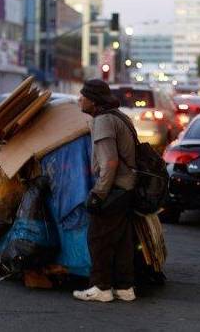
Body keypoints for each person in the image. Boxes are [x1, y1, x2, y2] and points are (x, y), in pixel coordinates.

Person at [73, 79, 137, 303]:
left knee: (98, 239)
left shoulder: (103, 121)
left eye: (83, 95)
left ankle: (101, 287)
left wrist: (98, 194)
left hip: (114, 189)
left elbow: (109, 162)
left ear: (93, 100)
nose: (79, 99)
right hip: (127, 187)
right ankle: (124, 287)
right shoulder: (120, 117)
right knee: (121, 241)